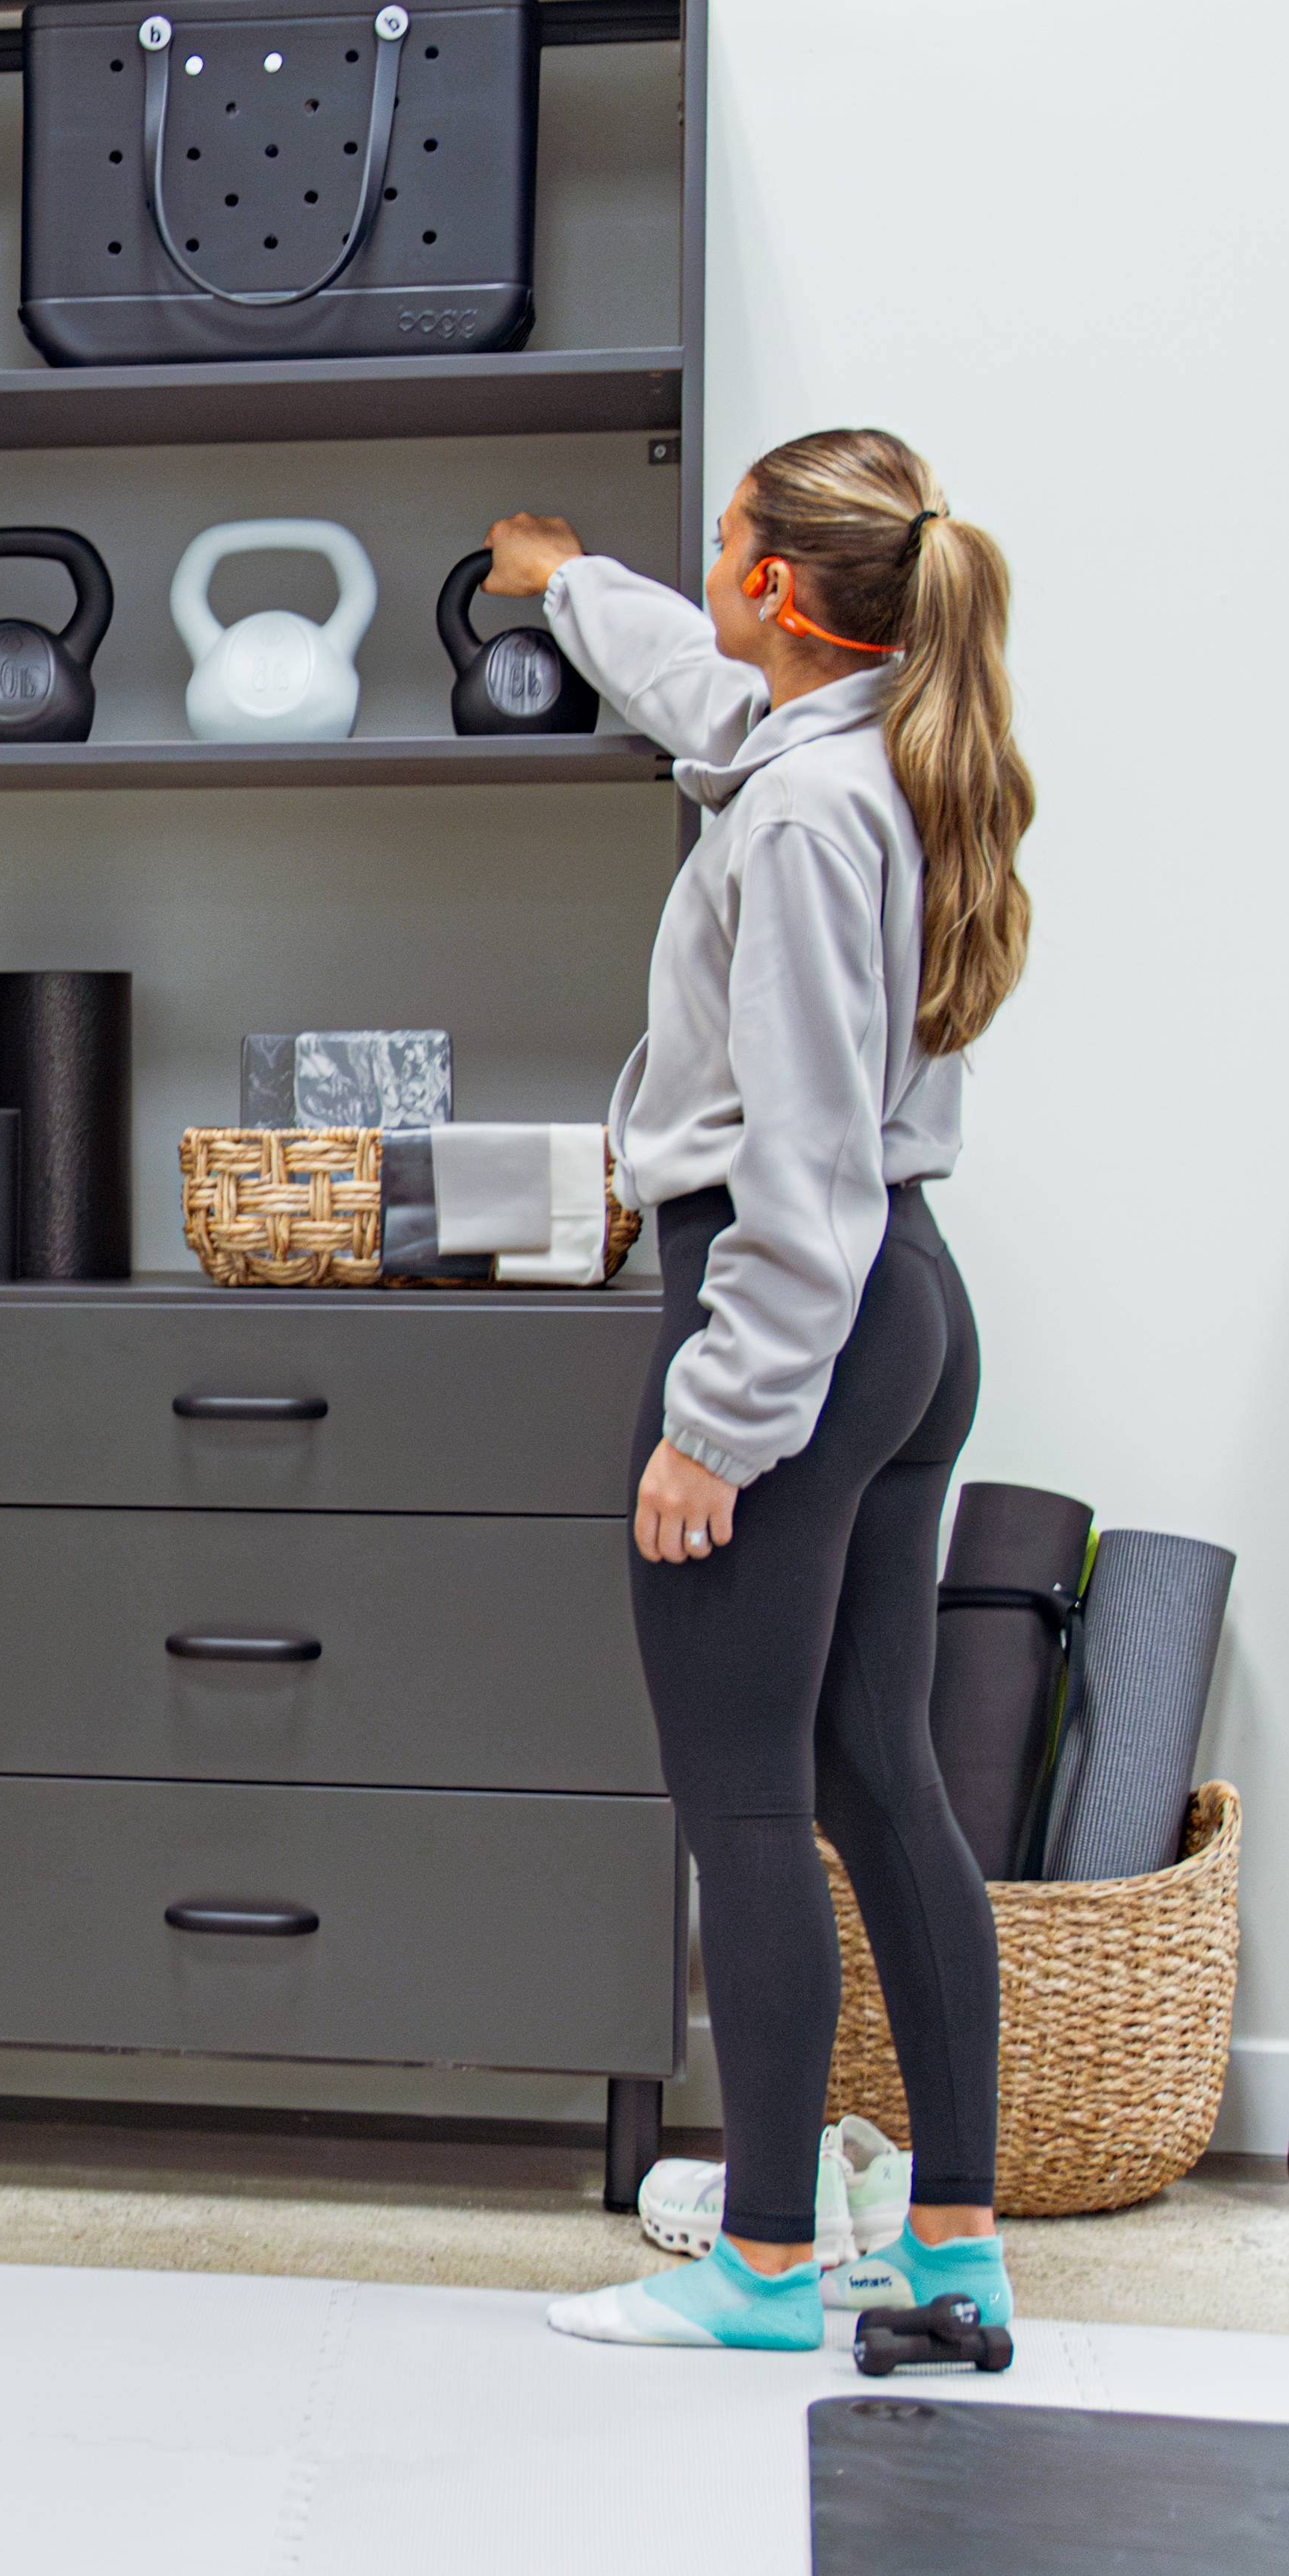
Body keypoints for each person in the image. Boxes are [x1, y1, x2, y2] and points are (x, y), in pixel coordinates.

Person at [484, 435, 1036, 2353]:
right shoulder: (856, 751)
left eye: (721, 543)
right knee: (880, 1775)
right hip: (910, 1314)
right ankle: (954, 2239)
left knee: (741, 1792)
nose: (708, 564)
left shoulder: (804, 823)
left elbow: (804, 1167)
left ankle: (770, 2267)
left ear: (788, 588)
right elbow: (709, 701)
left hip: (790, 1295)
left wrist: (716, 1416)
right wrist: (568, 584)